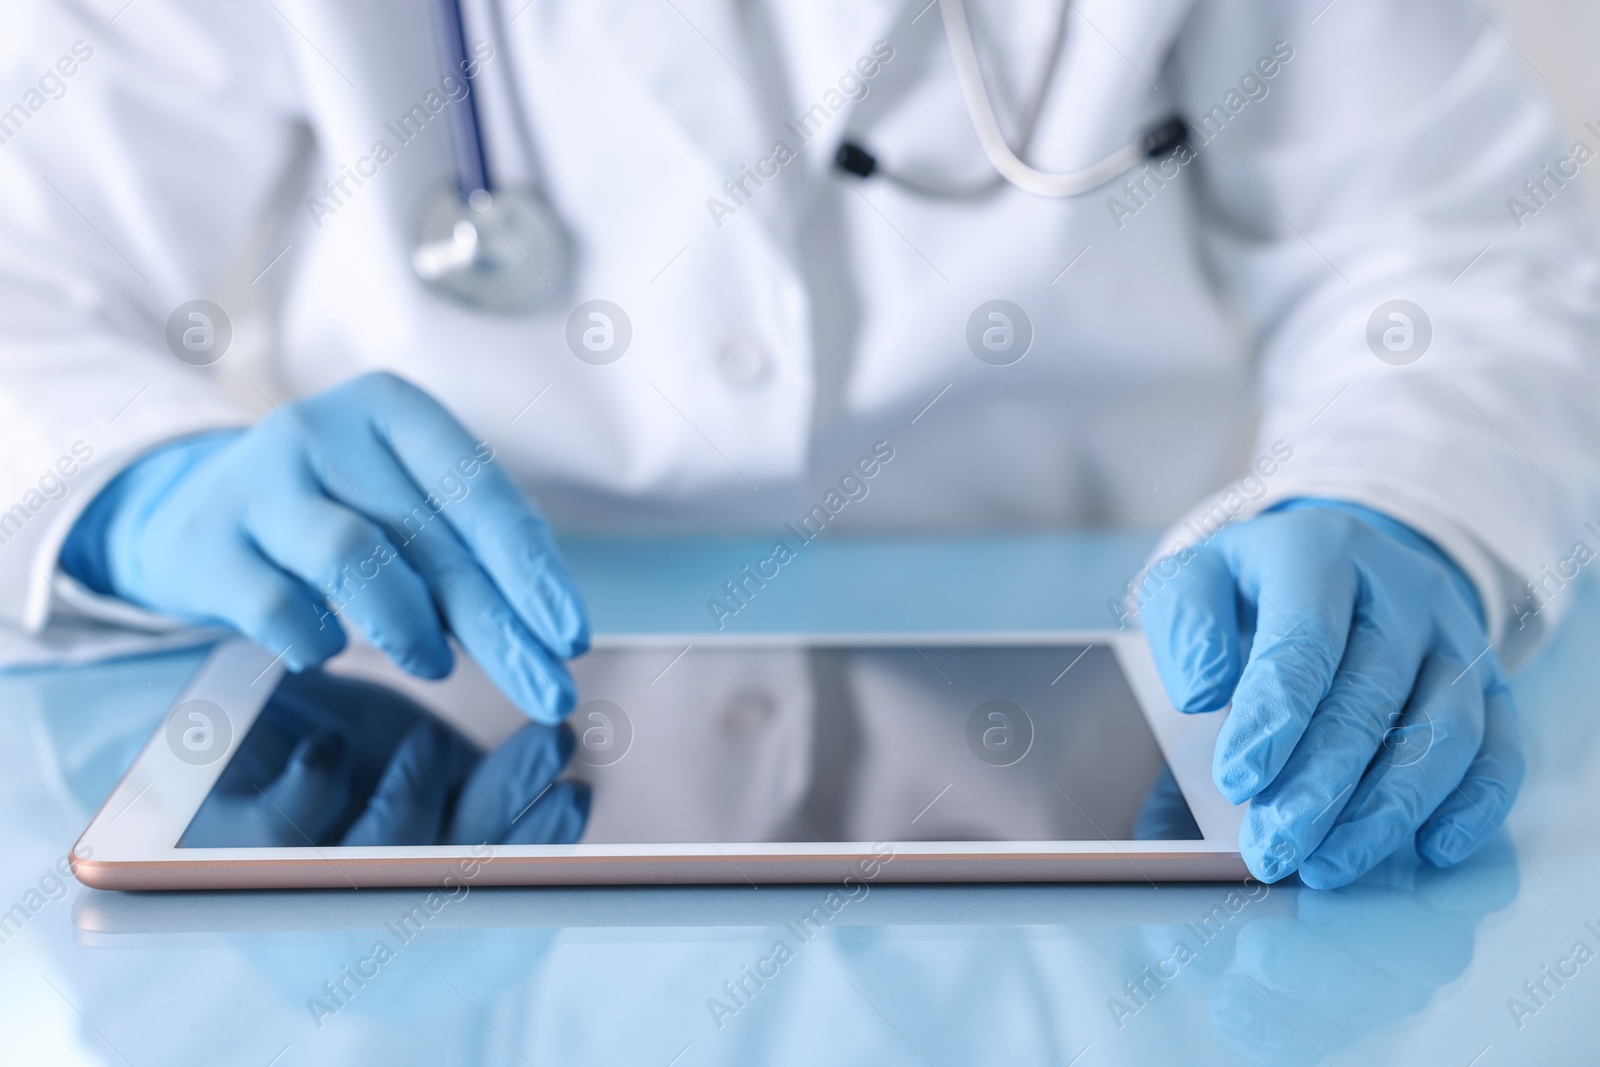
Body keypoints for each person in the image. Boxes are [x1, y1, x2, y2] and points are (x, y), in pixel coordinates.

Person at [1, 0, 1596, 888]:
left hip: (1106, 710)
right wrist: (143, 484)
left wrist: (1398, 501)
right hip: (450, 748)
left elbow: (1458, 260)